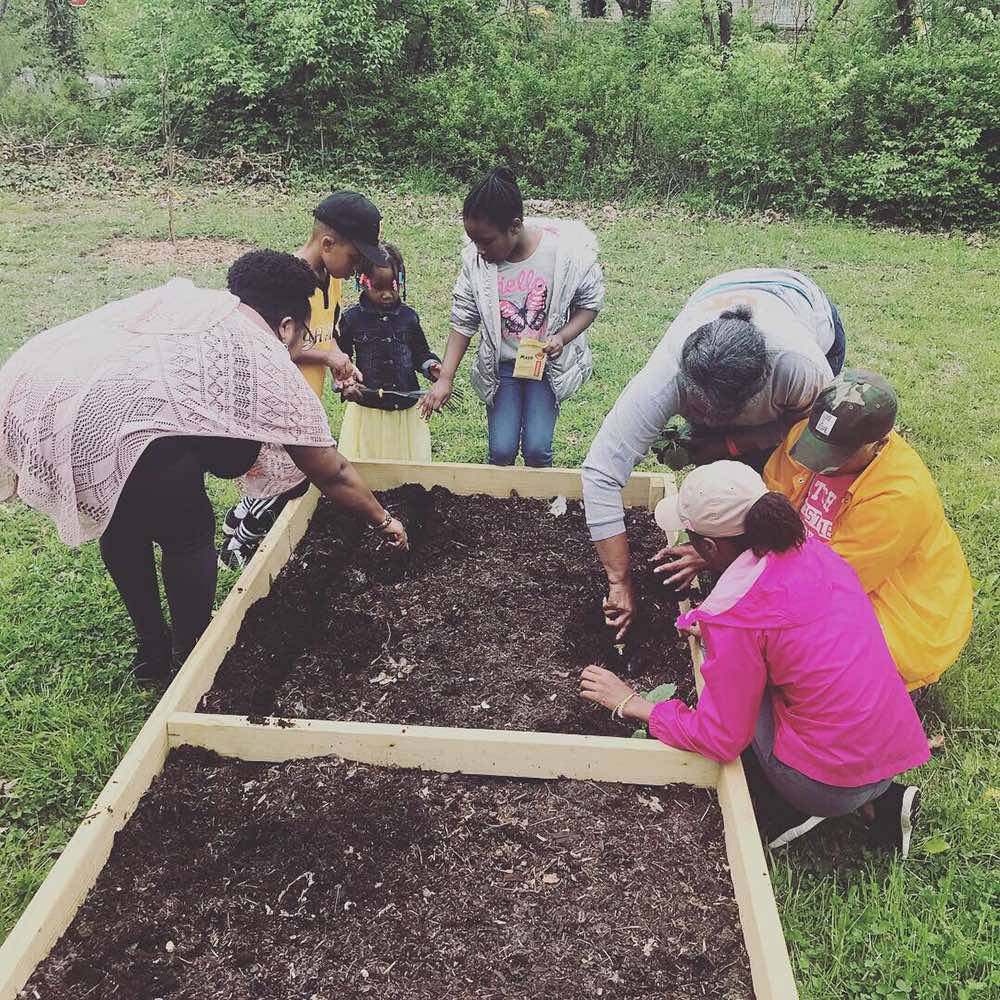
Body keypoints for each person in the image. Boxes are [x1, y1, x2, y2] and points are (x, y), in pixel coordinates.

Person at [0, 251, 408, 682]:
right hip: (131, 423)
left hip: (67, 406)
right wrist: (383, 520)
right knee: (188, 533)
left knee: (122, 526)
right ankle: (190, 656)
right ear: (287, 325)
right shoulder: (262, 352)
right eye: (300, 334)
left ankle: (152, 649)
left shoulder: (201, 308)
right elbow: (330, 469)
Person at [579, 462, 929, 856]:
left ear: (709, 547)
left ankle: (786, 807)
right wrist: (710, 627)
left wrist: (635, 704)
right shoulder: (816, 552)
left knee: (736, 703)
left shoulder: (741, 618)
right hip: (888, 750)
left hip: (825, 784)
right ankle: (879, 802)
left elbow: (720, 738)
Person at [582, 268, 843, 639]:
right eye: (696, 410)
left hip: (805, 307)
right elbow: (601, 472)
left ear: (759, 391)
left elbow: (810, 442)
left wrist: (733, 446)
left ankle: (748, 571)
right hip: (721, 293)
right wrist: (619, 582)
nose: (704, 421)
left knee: (770, 473)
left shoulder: (799, 368)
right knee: (722, 474)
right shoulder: (665, 378)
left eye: (718, 416)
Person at [759, 369, 972, 693]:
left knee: (811, 665)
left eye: (835, 456)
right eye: (817, 445)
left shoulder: (900, 496)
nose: (817, 463)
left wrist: (746, 620)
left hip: (894, 607)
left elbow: (832, 584)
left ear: (879, 444)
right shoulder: (811, 432)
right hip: (818, 568)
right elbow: (771, 496)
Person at [220, 190, 389, 569]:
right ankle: (237, 552)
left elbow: (325, 335)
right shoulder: (282, 285)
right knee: (286, 483)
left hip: (306, 397)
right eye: (356, 256)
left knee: (276, 478)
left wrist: (338, 370)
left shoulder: (333, 278)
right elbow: (273, 348)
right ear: (327, 243)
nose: (359, 267)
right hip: (275, 405)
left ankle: (235, 524)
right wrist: (328, 356)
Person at [420, 166, 604, 467]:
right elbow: (463, 320)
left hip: (545, 368)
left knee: (537, 449)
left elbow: (590, 303)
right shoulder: (477, 263)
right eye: (474, 241)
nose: (479, 250)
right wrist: (446, 378)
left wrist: (562, 337)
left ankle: (538, 505)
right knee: (502, 450)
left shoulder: (566, 255)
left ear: (515, 226)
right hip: (502, 367)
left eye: (487, 241)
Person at [337, 244, 442, 462]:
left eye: (393, 287)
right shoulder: (352, 319)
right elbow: (340, 360)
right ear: (363, 282)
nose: (387, 294)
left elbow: (420, 352)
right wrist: (345, 384)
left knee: (407, 470)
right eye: (378, 288)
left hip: (405, 410)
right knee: (368, 467)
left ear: (401, 281)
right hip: (368, 410)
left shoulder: (409, 318)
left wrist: (431, 366)